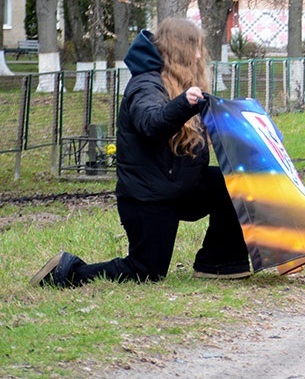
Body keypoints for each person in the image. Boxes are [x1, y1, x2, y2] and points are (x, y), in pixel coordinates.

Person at [31, 18, 251, 287]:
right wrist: (185, 103)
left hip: (180, 188)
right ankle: (67, 273)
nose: (197, 55)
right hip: (147, 197)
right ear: (177, 49)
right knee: (146, 272)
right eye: (193, 47)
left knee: (231, 183)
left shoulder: (181, 86)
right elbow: (151, 123)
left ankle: (220, 262)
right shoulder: (145, 85)